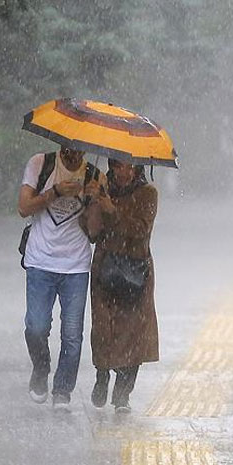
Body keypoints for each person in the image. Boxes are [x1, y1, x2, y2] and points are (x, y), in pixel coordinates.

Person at [17, 145, 103, 409]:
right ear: (63, 143)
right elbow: (23, 207)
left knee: (72, 333)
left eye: (81, 150)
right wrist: (54, 192)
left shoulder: (94, 175)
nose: (75, 154)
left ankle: (63, 390)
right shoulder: (40, 163)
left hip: (75, 266)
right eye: (70, 148)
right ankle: (41, 368)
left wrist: (94, 200)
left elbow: (95, 232)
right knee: (36, 326)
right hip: (40, 262)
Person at [81, 158, 159, 413]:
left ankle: (123, 394)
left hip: (136, 269)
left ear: (137, 168)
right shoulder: (102, 186)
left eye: (129, 166)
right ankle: (102, 374)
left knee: (134, 333)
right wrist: (92, 203)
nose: (123, 172)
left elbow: (139, 230)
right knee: (104, 326)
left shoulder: (148, 193)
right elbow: (91, 233)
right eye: (117, 166)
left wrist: (111, 208)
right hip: (106, 267)